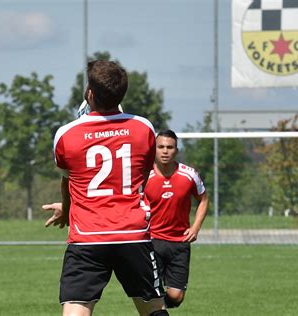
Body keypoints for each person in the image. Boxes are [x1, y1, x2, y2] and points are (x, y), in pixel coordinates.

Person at [43, 60, 168, 316]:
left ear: (90, 93)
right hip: (133, 234)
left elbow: (69, 180)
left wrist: (67, 209)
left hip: (87, 237)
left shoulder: (66, 134)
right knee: (154, 310)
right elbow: (141, 178)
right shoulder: (143, 128)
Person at [145, 129, 208, 309]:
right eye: (161, 147)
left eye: (170, 147)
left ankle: (154, 308)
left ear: (176, 151)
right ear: (154, 149)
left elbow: (203, 199)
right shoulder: (143, 175)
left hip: (179, 242)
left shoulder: (189, 175)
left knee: (176, 296)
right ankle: (154, 310)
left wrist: (195, 227)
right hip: (152, 240)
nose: (165, 151)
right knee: (154, 291)